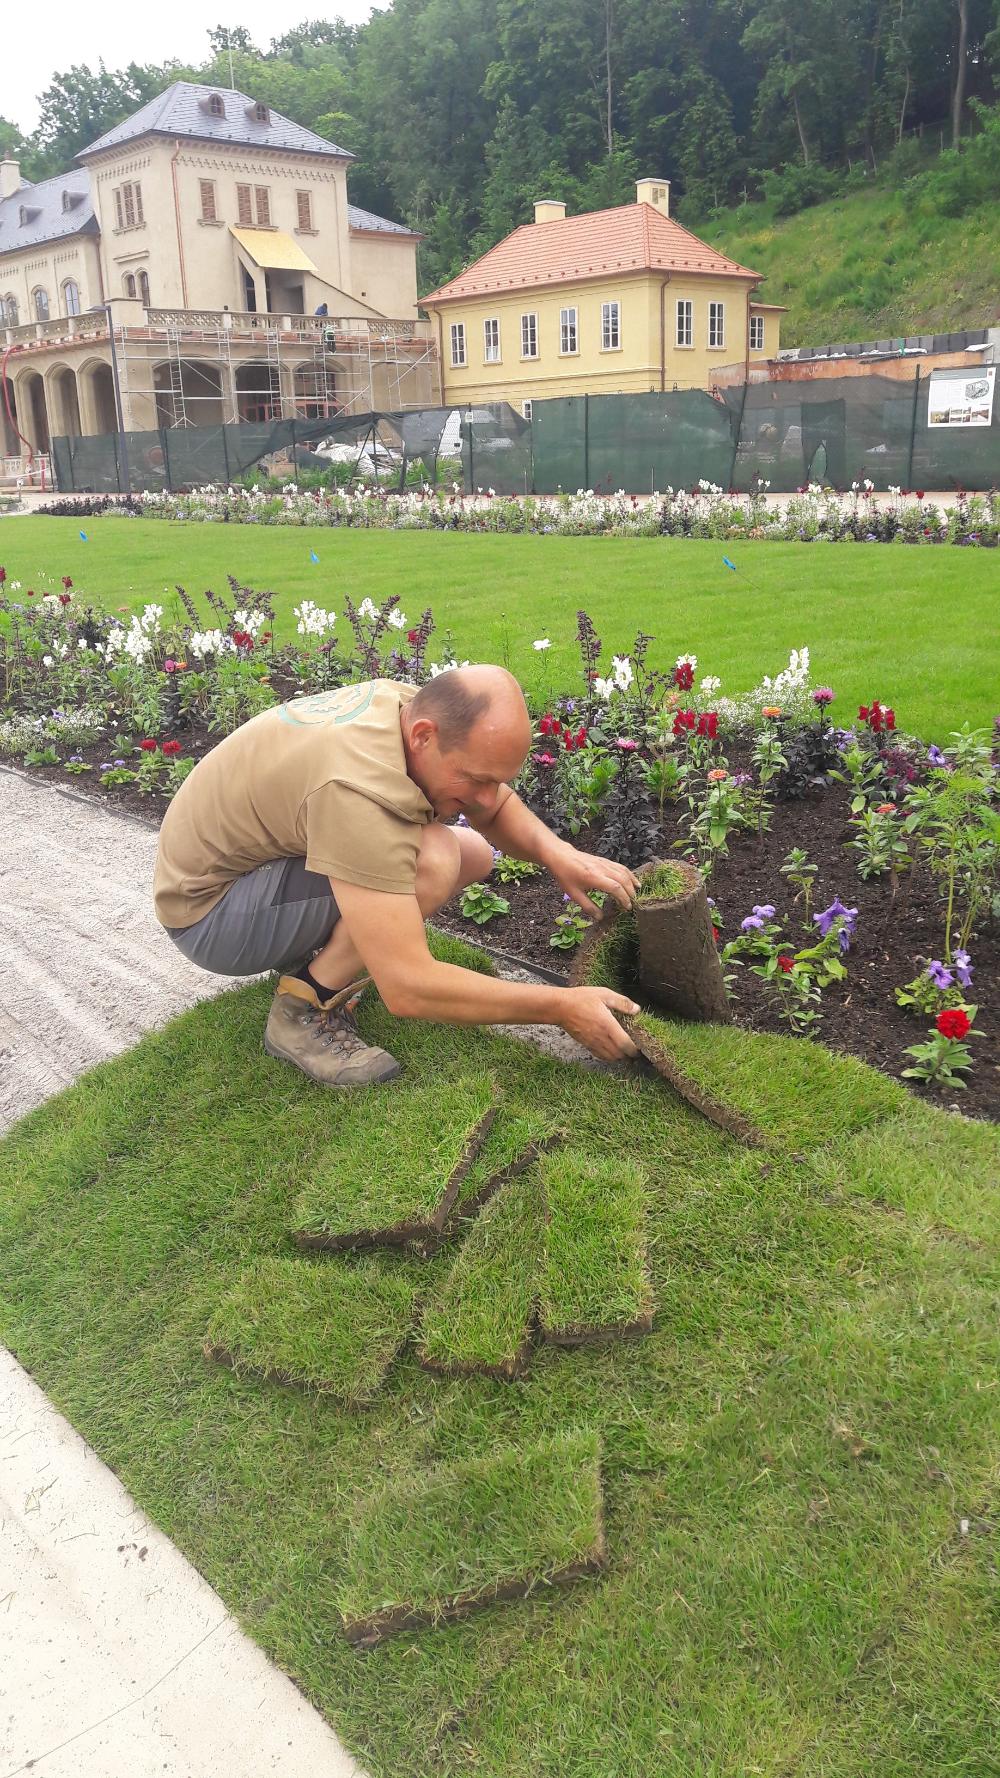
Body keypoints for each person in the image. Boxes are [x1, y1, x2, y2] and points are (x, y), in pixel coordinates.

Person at [153, 666, 641, 1086]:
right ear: (423, 736)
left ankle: (320, 958)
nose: (490, 799)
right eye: (476, 779)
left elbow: (493, 806)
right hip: (211, 916)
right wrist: (559, 1007)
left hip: (248, 872)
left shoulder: (408, 710)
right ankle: (302, 1007)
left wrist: (559, 854)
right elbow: (408, 987)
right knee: (432, 859)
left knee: (471, 852)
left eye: (497, 780)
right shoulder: (356, 788)